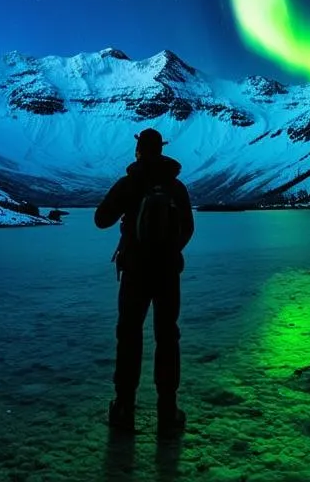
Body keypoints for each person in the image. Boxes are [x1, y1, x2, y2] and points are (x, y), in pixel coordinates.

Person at [94, 127, 194, 437]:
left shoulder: (130, 182)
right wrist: (169, 250)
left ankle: (124, 408)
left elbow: (101, 220)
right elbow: (188, 228)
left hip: (135, 273)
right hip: (167, 274)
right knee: (167, 337)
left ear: (139, 150)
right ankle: (167, 411)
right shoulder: (175, 187)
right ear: (161, 150)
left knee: (129, 335)